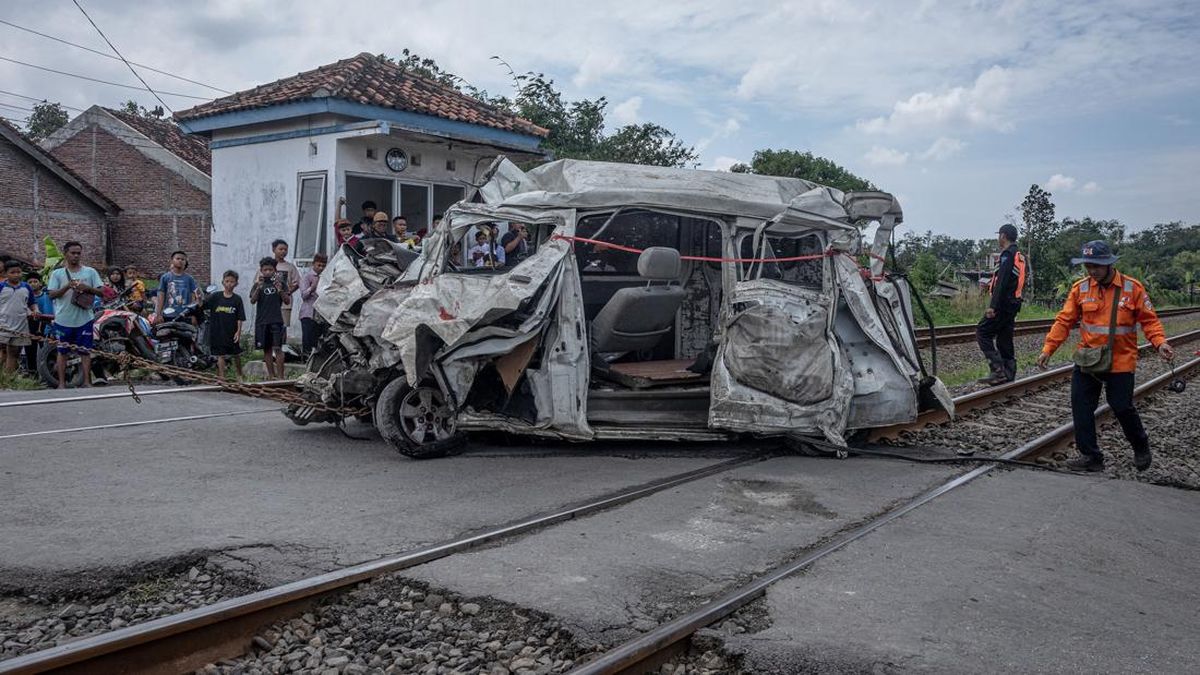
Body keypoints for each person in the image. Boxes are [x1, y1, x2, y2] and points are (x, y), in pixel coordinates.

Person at [1036, 240, 1173, 472]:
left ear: (1109, 263)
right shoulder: (1081, 288)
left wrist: (1160, 343)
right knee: (1081, 407)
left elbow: (1149, 321)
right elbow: (1064, 321)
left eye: (1096, 266)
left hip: (1120, 361)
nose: (1092, 270)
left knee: (1121, 406)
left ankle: (1140, 444)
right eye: (1088, 266)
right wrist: (1048, 349)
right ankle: (1091, 457)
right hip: (1088, 359)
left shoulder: (1133, 288)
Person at [976, 224, 1027, 385]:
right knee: (1004, 339)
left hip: (1003, 303)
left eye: (999, 235)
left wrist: (993, 305)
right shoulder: (1019, 255)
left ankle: (997, 370)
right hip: (1014, 303)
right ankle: (1008, 373)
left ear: (1003, 236)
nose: (998, 238)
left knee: (982, 331)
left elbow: (1002, 281)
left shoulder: (1007, 254)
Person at [47, 241, 102, 388]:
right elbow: (51, 295)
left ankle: (86, 382)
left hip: (85, 319)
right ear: (65, 254)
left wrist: (87, 288)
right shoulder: (57, 274)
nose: (76, 256)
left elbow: (102, 291)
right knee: (62, 351)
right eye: (73, 253)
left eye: (78, 253)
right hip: (63, 319)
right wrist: (67, 287)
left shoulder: (90, 272)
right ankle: (62, 383)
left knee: (85, 352)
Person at [250, 256, 289, 379]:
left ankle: (281, 377)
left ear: (275, 270)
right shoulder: (257, 285)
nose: (268, 272)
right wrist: (258, 288)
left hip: (276, 321)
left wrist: (280, 290)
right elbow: (252, 300)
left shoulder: (280, 284)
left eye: (270, 270)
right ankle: (271, 376)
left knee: (278, 348)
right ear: (261, 270)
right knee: (266, 350)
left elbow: (287, 301)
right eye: (265, 270)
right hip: (262, 321)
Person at [205, 270, 246, 381]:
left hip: (232, 332)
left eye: (232, 282)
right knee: (220, 355)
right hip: (217, 331)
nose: (229, 284)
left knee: (236, 354)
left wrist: (238, 332)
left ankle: (239, 375)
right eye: (227, 281)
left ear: (236, 283)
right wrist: (199, 298)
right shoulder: (215, 297)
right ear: (223, 282)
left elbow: (240, 317)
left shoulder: (237, 299)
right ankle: (222, 378)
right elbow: (203, 305)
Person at [0, 260, 35, 374]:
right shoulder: (1, 287)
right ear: (5, 273)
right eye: (12, 272)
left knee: (14, 352)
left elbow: (32, 303)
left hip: (20, 325)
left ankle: (9, 378)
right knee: (3, 350)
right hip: (3, 325)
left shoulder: (26, 287)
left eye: (18, 272)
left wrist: (36, 311)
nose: (16, 275)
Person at [155, 251, 199, 321]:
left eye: (183, 259)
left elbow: (193, 297)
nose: (180, 261)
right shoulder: (165, 277)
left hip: (185, 315)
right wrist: (158, 314)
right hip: (168, 314)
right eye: (177, 258)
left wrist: (193, 315)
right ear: (172, 261)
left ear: (185, 262)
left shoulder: (190, 279)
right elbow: (161, 296)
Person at [24, 273, 54, 373]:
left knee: (46, 350)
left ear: (40, 283)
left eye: (35, 281)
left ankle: (48, 373)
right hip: (30, 324)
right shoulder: (25, 297)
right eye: (30, 282)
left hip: (45, 325)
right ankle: (32, 372)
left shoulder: (47, 296)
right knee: (30, 349)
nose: (33, 284)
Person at [299, 253, 327, 355]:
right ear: (313, 264)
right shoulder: (306, 277)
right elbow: (303, 296)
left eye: (323, 266)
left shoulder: (325, 277)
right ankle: (306, 359)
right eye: (319, 265)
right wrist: (312, 288)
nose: (321, 268)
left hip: (321, 314)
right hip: (308, 313)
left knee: (318, 339)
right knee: (307, 338)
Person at [271, 239, 300, 325]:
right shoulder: (268, 266)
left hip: (285, 304)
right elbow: (259, 281)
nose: (283, 251)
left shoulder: (290, 267)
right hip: (269, 303)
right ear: (273, 249)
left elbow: (297, 282)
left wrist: (288, 292)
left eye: (285, 249)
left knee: (283, 327)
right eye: (280, 249)